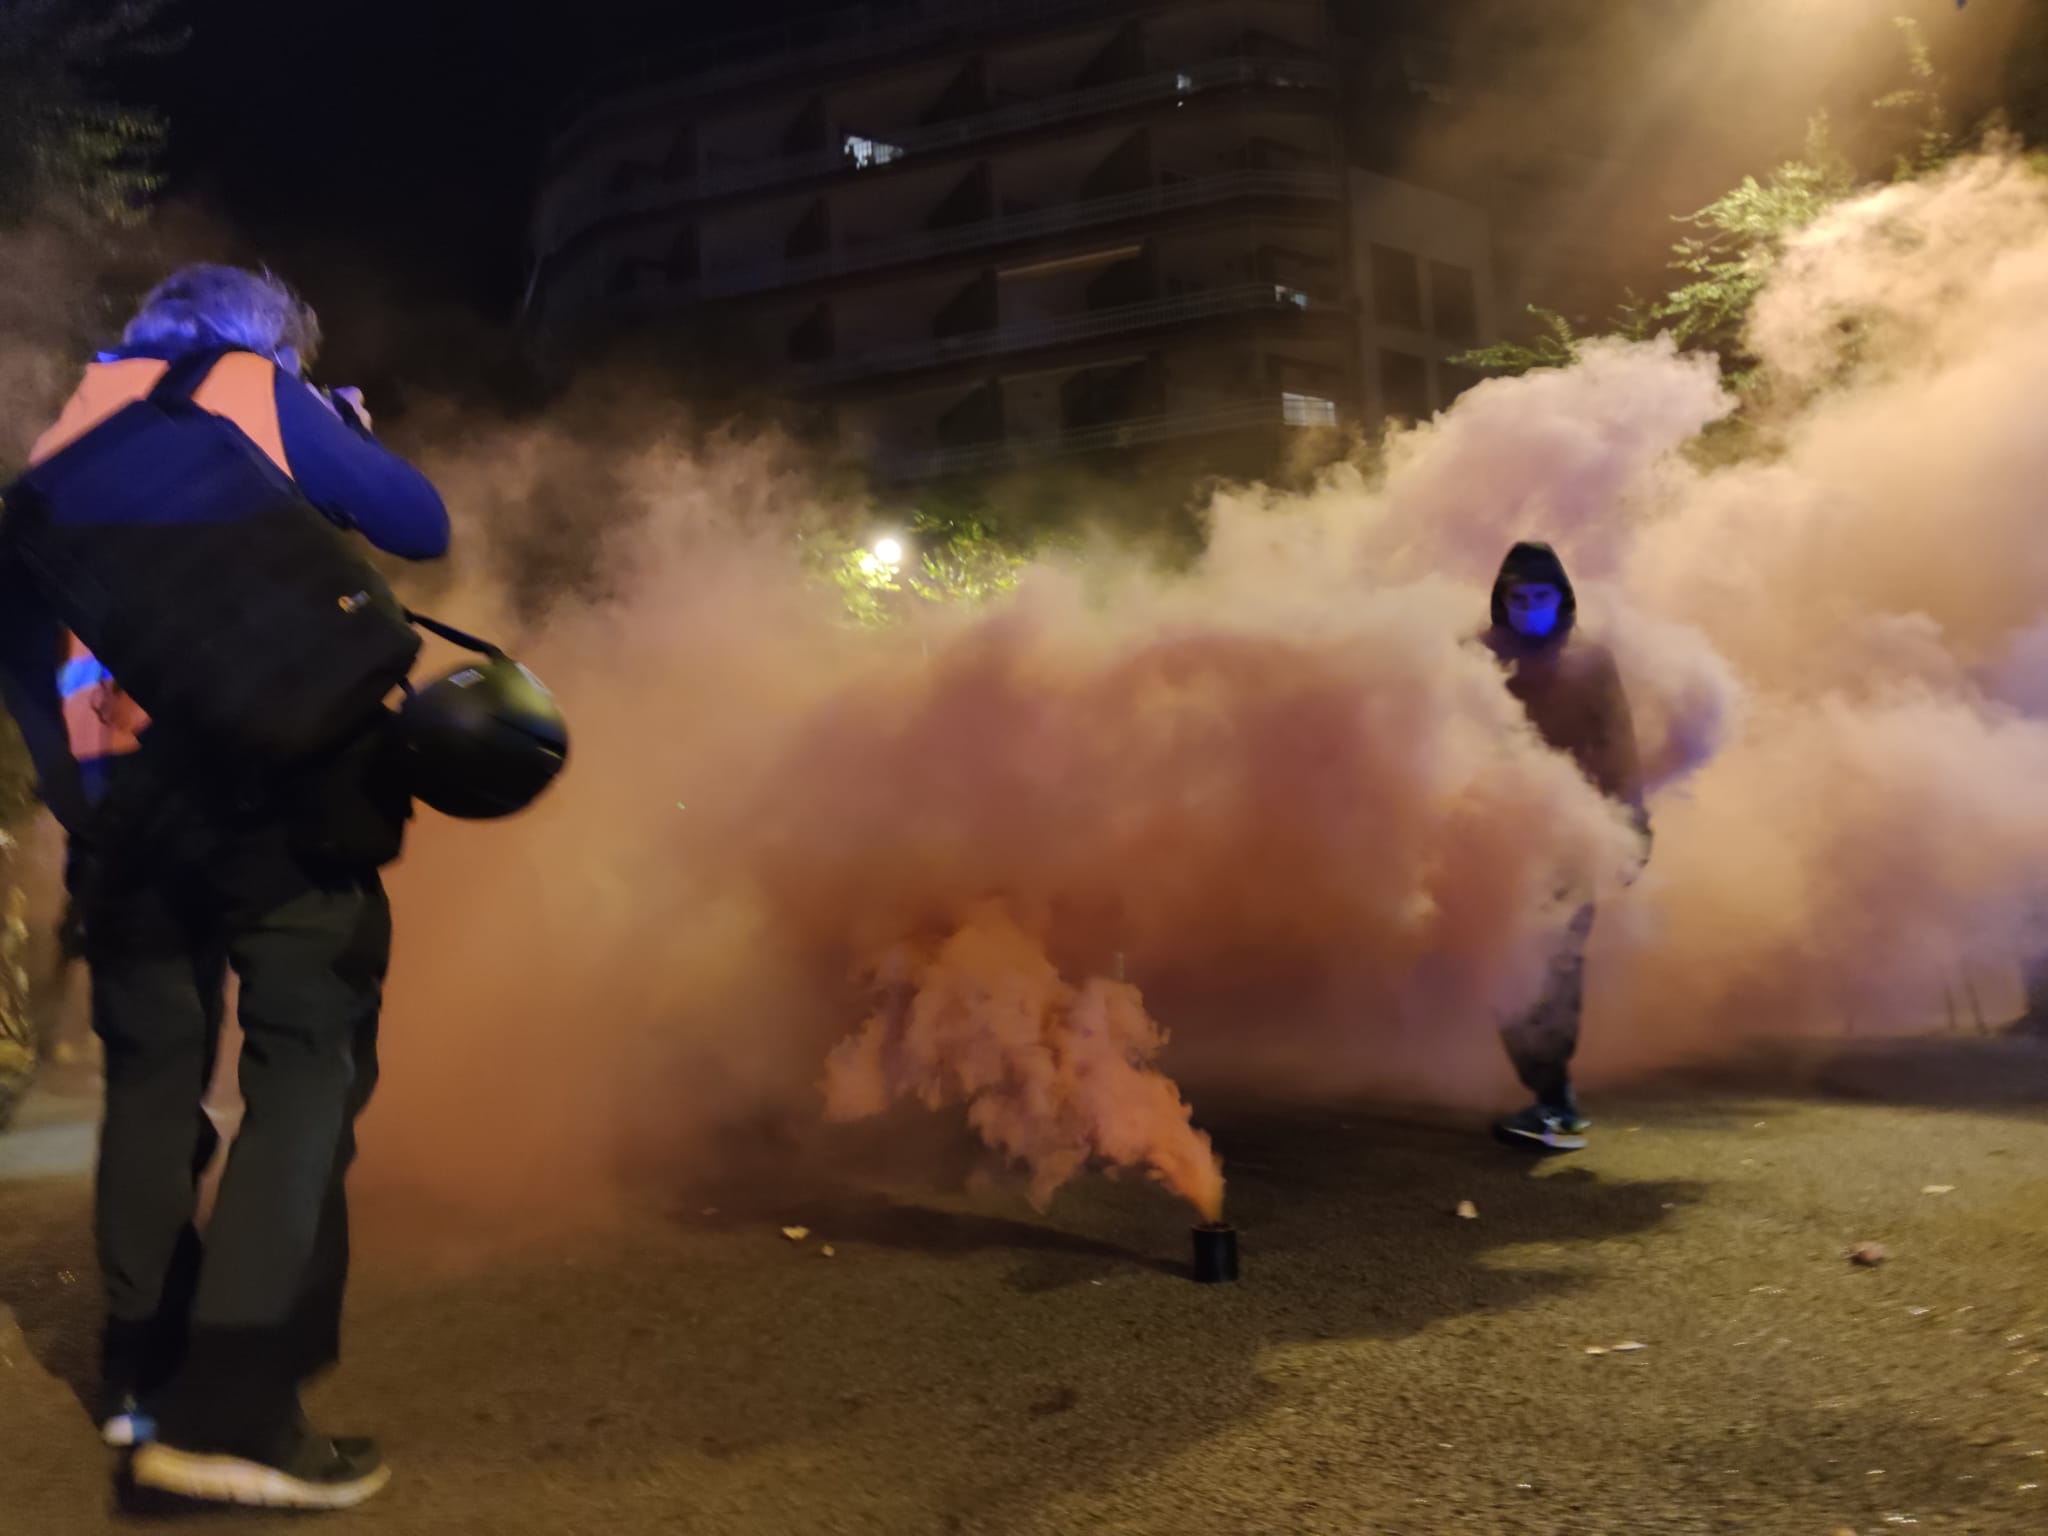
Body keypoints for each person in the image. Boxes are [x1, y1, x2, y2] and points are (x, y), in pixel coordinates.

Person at [0, 264, 448, 1508]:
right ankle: (239, 1408)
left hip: (125, 826)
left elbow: (23, 666)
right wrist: (334, 431)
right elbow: (418, 524)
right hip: (278, 793)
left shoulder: (60, 444)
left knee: (151, 1093)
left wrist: (87, 805)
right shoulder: (250, 387)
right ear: (268, 338)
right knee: (306, 1068)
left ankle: (140, 1381)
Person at [1479, 541, 1648, 1153]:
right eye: (1519, 599)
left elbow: (1621, 750)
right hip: (1500, 840)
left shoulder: (1591, 663)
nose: (1530, 610)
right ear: (1503, 600)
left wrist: (1633, 829)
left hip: (1573, 840)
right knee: (1504, 963)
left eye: (1541, 597)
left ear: (1563, 598)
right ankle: (1550, 1095)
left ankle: (1555, 1099)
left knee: (1558, 964)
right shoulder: (1479, 659)